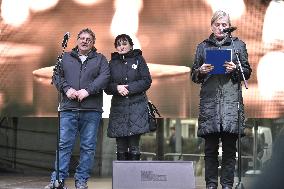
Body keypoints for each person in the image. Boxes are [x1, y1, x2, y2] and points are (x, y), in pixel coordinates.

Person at [191, 10, 252, 189]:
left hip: (231, 105)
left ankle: (226, 185)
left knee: (229, 151)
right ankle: (211, 184)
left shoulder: (237, 45)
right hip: (210, 105)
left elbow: (247, 72)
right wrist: (200, 71)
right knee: (209, 150)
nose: (220, 28)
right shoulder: (202, 47)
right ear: (212, 26)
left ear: (228, 27)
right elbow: (193, 75)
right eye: (217, 24)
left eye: (224, 25)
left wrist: (235, 69)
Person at [45, 28, 110, 189]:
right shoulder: (65, 57)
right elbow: (56, 77)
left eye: (88, 39)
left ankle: (81, 180)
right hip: (68, 109)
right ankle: (57, 180)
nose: (84, 41)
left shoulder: (101, 59)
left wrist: (88, 90)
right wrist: (67, 89)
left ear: (93, 42)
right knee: (64, 145)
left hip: (91, 110)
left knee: (88, 147)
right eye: (81, 38)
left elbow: (105, 77)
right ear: (77, 41)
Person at [105, 34, 152, 161]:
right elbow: (106, 86)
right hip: (119, 109)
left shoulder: (139, 59)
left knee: (134, 145)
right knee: (120, 146)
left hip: (137, 108)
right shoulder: (112, 63)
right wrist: (117, 88)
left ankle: (134, 178)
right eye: (118, 45)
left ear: (131, 45)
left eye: (124, 44)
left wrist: (128, 88)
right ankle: (122, 179)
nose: (121, 47)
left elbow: (147, 81)